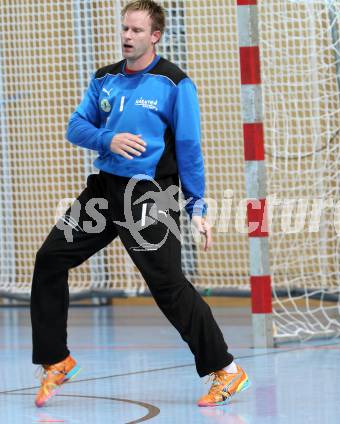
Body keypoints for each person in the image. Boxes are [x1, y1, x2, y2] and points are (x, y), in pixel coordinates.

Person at [31, 0, 250, 408]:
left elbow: (189, 149)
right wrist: (106, 139)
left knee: (167, 284)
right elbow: (76, 126)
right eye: (124, 29)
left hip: (150, 194)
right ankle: (55, 359)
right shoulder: (105, 80)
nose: (127, 37)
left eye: (136, 30)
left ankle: (227, 370)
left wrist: (197, 207)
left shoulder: (174, 83)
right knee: (50, 259)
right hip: (104, 191)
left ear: (155, 36)